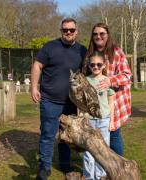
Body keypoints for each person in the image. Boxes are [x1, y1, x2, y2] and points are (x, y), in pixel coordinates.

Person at [31, 18, 87, 180]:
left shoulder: (82, 50)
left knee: (67, 136)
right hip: (50, 100)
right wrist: (34, 87)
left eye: (71, 30)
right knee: (48, 135)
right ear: (61, 31)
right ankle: (44, 168)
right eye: (65, 30)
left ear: (76, 31)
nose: (68, 32)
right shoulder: (50, 47)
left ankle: (65, 164)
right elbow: (37, 66)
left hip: (72, 102)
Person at [83, 23, 131, 156]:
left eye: (102, 33)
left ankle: (119, 170)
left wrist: (110, 81)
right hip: (94, 105)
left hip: (113, 102)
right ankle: (99, 170)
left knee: (114, 135)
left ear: (107, 35)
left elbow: (127, 75)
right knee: (95, 139)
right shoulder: (90, 54)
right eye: (95, 34)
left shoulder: (116, 52)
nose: (98, 36)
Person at [83, 51, 114, 180]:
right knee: (88, 152)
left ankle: (101, 176)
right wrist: (83, 118)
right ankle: (89, 177)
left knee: (103, 151)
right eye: (92, 65)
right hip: (89, 121)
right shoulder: (85, 81)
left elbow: (111, 102)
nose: (95, 67)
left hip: (104, 121)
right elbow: (80, 102)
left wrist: (111, 121)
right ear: (89, 66)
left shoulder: (107, 81)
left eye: (99, 64)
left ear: (104, 65)